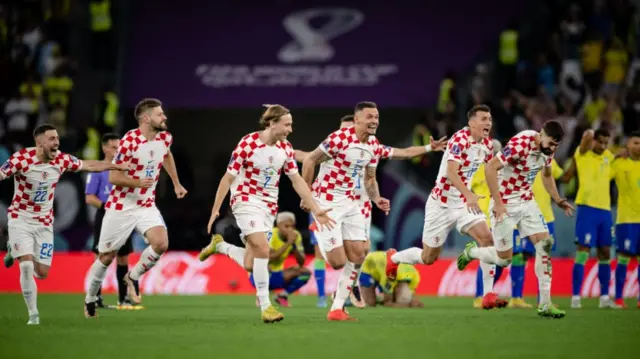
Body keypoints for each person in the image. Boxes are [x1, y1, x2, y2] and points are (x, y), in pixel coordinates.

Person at [199, 104, 334, 324]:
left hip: (268, 207)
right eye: (287, 124)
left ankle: (220, 246)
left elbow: (297, 180)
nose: (290, 129)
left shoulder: (286, 148)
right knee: (263, 248)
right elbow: (227, 178)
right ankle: (266, 305)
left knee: (252, 263)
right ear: (272, 123)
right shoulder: (247, 143)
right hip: (244, 201)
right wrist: (215, 209)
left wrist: (316, 209)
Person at [297, 115, 447, 308]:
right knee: (332, 256)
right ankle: (323, 296)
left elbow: (403, 152)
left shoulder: (369, 149)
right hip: (329, 204)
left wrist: (428, 148)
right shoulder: (334, 146)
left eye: (349, 128)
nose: (346, 133)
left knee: (362, 252)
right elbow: (305, 156)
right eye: (343, 129)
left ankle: (350, 289)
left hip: (359, 207)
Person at [1, 124, 128, 325]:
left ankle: (13, 248)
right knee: (25, 266)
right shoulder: (21, 158)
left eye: (57, 138)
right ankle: (33, 315)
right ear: (39, 142)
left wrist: (115, 166)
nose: (57, 142)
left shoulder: (61, 159)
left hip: (44, 223)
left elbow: (90, 165)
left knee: (41, 274)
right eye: (52, 139)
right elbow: (2, 173)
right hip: (20, 219)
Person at [387, 105, 508, 310]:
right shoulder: (459, 140)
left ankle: (487, 295)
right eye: (483, 119)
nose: (488, 122)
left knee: (487, 239)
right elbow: (452, 173)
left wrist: (498, 197)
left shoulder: (487, 145)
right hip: (441, 204)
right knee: (428, 258)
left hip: (463, 204)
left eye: (489, 119)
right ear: (471, 123)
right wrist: (469, 194)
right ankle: (394, 258)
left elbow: (490, 170)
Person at [83, 98, 188, 318]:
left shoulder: (164, 137)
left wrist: (176, 183)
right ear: (146, 118)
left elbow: (166, 155)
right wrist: (137, 183)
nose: (165, 117)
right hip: (121, 206)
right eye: (160, 114)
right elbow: (113, 176)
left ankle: (132, 276)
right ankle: (90, 299)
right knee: (106, 257)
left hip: (146, 205)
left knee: (161, 243)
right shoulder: (129, 141)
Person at [458, 121, 573, 318]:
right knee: (504, 260)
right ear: (541, 134)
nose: (553, 148)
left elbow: (546, 176)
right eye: (551, 143)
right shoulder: (521, 143)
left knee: (544, 245)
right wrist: (499, 202)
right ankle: (473, 252)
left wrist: (557, 198)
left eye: (556, 146)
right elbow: (490, 168)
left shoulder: (547, 152)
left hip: (527, 203)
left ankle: (545, 304)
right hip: (505, 205)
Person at [301, 101, 391, 321]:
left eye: (377, 117)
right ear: (357, 119)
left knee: (360, 252)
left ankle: (337, 308)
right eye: (370, 117)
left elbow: (370, 179)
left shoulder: (374, 145)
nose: (374, 121)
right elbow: (310, 160)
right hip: (327, 203)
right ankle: (318, 228)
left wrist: (376, 198)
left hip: (351, 203)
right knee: (337, 262)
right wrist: (307, 194)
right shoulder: (338, 139)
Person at [85, 133, 142, 310]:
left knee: (124, 258)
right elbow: (89, 197)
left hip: (124, 216)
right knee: (100, 257)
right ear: (104, 148)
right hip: (105, 215)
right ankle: (95, 298)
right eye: (114, 147)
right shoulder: (98, 169)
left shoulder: (126, 168)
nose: (118, 150)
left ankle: (123, 299)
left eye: (119, 147)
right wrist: (106, 206)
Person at [563, 129, 616, 309]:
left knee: (605, 253)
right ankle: (576, 297)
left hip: (605, 212)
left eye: (605, 143)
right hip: (587, 209)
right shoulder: (582, 153)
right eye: (599, 142)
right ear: (593, 141)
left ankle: (604, 297)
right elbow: (586, 136)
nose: (602, 146)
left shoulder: (609, 156)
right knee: (583, 251)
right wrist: (591, 132)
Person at [509, 157, 564, 308]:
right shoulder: (520, 158)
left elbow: (562, 176)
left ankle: (544, 300)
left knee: (544, 256)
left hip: (546, 216)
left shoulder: (550, 160)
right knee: (520, 255)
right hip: (525, 214)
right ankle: (516, 297)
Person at [469, 140, 506, 308]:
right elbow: (465, 187)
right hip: (484, 219)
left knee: (503, 260)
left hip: (502, 220)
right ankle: (480, 296)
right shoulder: (477, 168)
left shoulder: (504, 170)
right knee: (488, 257)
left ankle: (488, 291)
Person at [247, 212, 310, 307]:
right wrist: (288, 243)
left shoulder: (296, 236)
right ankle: (261, 295)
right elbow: (270, 258)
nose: (290, 229)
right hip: (257, 275)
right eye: (286, 226)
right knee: (266, 268)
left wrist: (294, 245)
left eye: (292, 226)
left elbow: (301, 262)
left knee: (305, 273)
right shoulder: (270, 234)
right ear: (278, 225)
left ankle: (282, 296)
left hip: (278, 274)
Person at [611, 130, 640, 308]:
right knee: (624, 257)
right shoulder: (620, 164)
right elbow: (602, 173)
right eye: (635, 143)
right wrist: (614, 155)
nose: (638, 146)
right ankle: (619, 298)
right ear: (627, 146)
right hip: (626, 220)